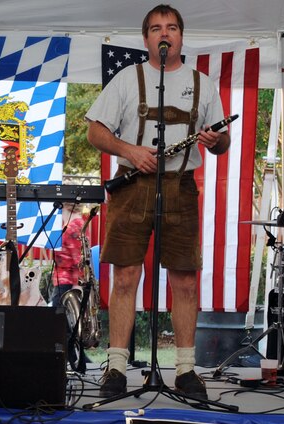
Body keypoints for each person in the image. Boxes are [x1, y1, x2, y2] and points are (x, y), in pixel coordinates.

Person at [85, 4, 230, 399]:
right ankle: (115, 366)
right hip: (133, 185)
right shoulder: (127, 79)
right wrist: (129, 151)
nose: (163, 34)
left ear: (181, 36)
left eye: (170, 28)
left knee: (184, 278)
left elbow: (223, 141)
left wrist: (217, 141)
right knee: (127, 275)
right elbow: (95, 132)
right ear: (146, 38)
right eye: (155, 29)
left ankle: (185, 368)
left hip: (181, 186)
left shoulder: (203, 84)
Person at [50, 202, 85, 307]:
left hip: (68, 284)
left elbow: (79, 258)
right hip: (64, 282)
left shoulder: (74, 226)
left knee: (58, 321)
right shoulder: (72, 224)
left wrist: (77, 284)